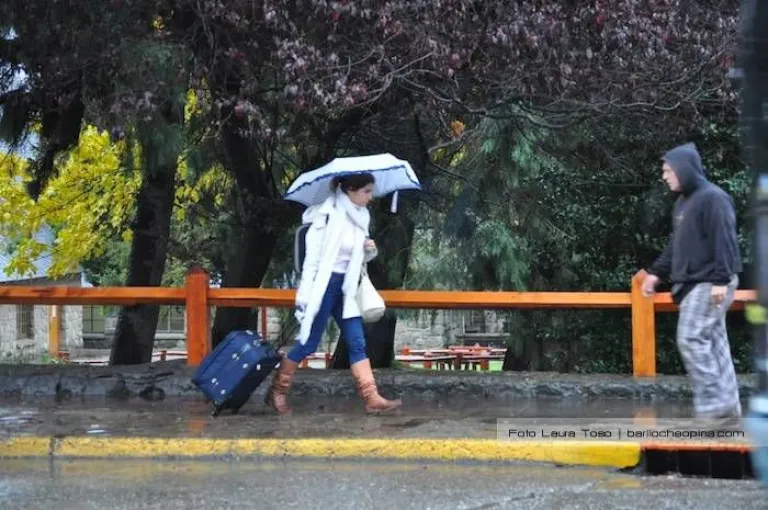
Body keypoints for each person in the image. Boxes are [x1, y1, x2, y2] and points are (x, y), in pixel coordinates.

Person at [265, 172, 402, 414]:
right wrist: (305, 296)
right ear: (350, 190)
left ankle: (372, 398)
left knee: (357, 342)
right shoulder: (325, 216)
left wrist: (369, 250)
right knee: (308, 344)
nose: (370, 197)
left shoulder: (361, 217)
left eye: (371, 191)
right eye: (366, 191)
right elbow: (311, 261)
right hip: (324, 287)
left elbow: (359, 259)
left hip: (347, 289)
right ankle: (277, 391)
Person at [642, 142, 743, 419]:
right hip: (696, 283)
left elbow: (725, 238)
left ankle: (715, 405)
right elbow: (677, 244)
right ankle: (729, 408)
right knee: (716, 343)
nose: (664, 176)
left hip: (710, 281)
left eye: (668, 170)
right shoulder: (683, 203)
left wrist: (721, 279)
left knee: (690, 337)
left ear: (683, 169)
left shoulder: (714, 198)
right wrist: (656, 273)